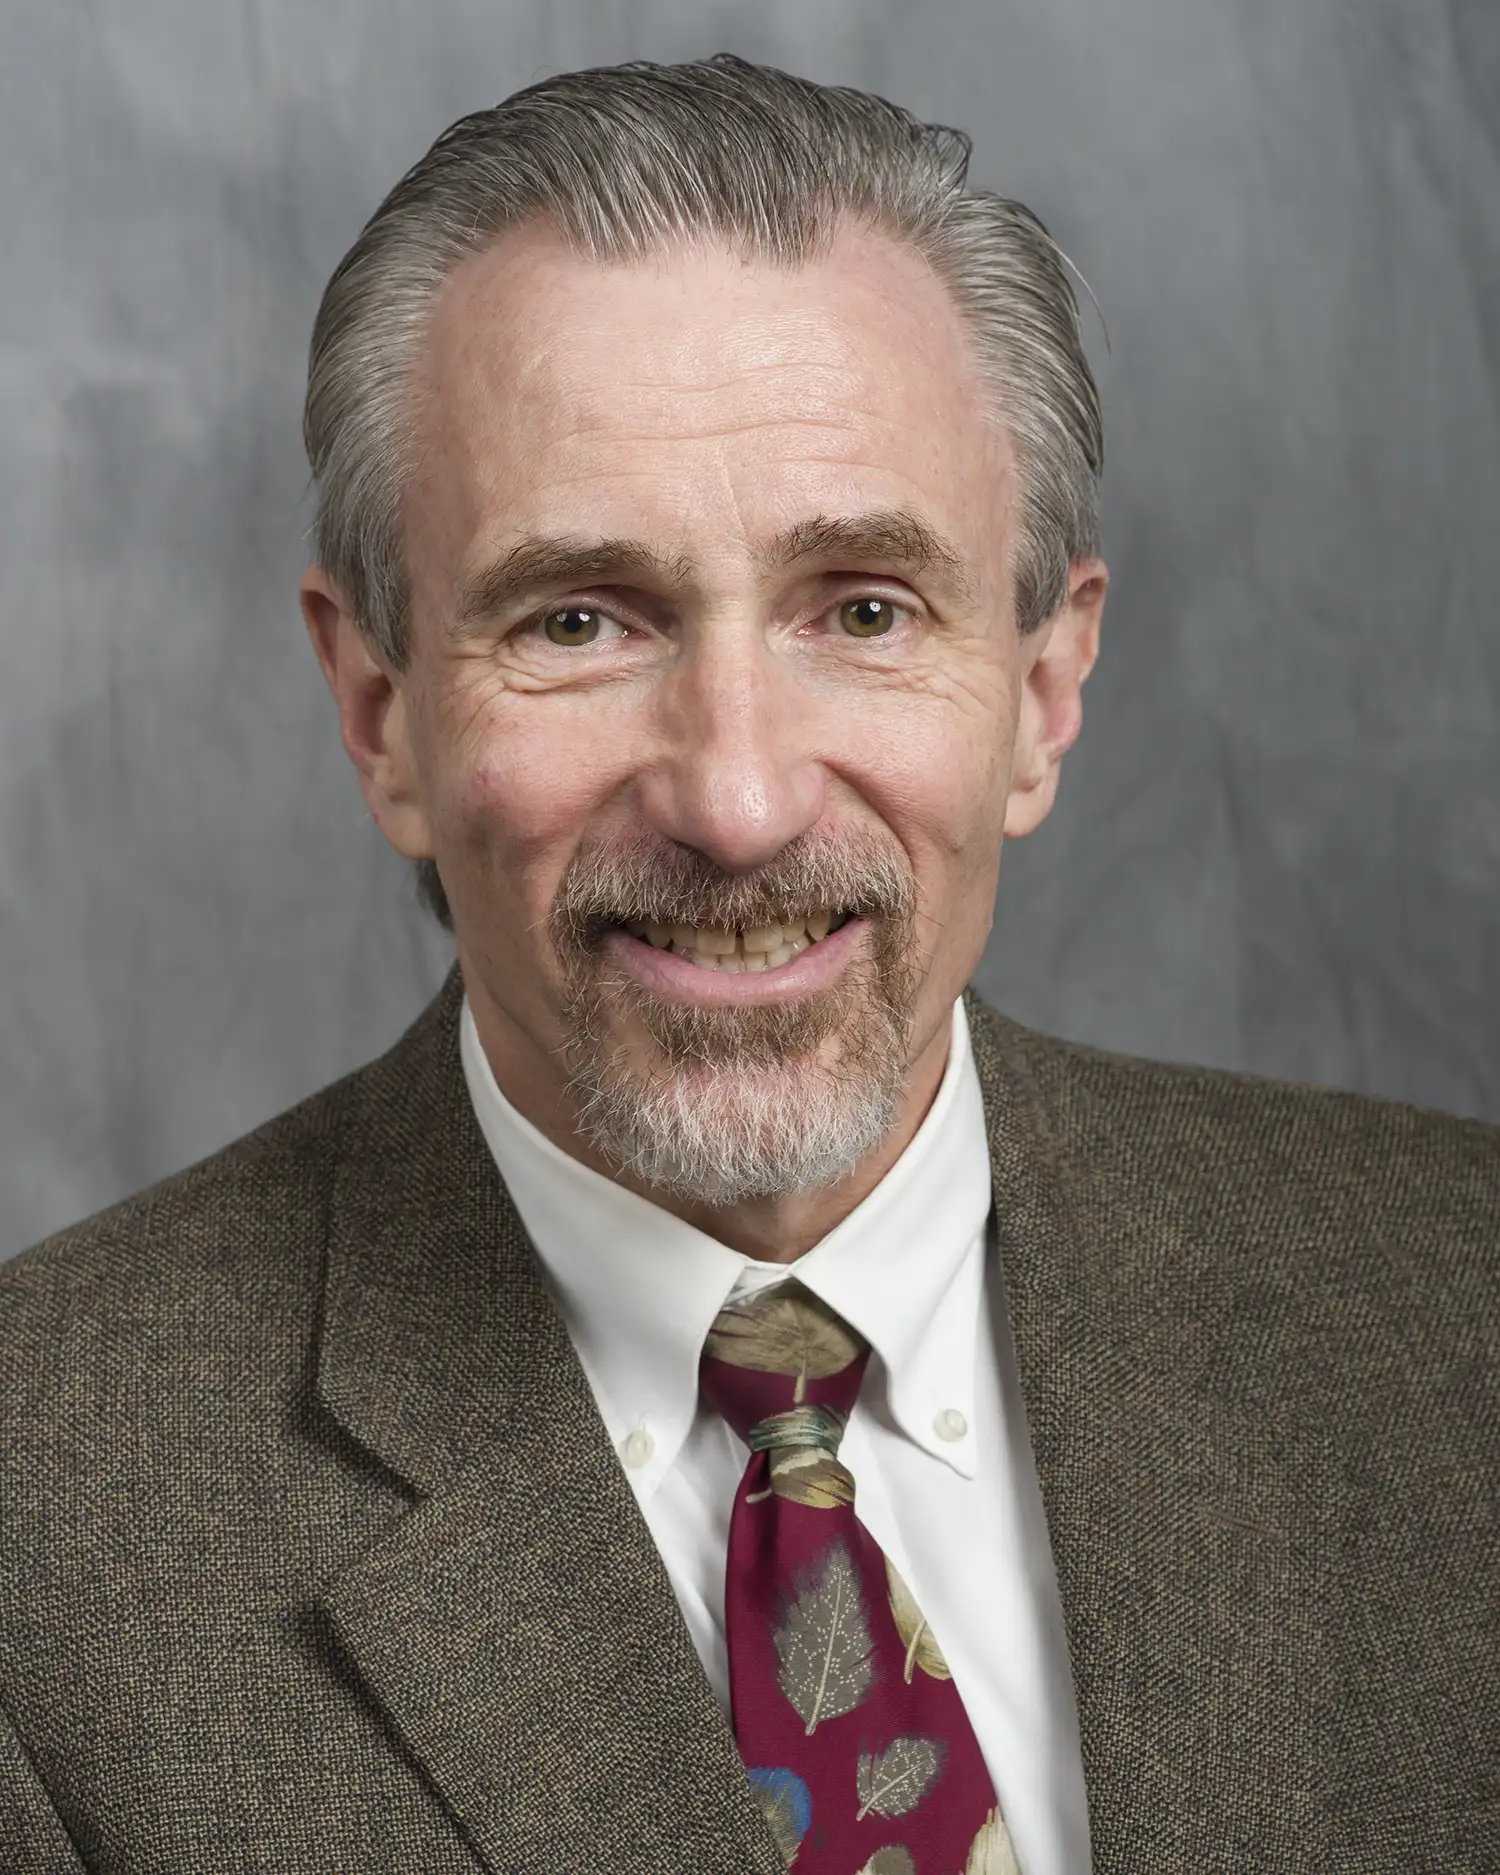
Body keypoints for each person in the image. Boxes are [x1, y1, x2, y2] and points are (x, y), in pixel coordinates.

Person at [1, 53, 1494, 1875]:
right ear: (381, 711)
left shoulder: (1457, 1319)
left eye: (864, 608)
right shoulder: (42, 1533)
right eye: (580, 619)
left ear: (1041, 689)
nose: (738, 797)